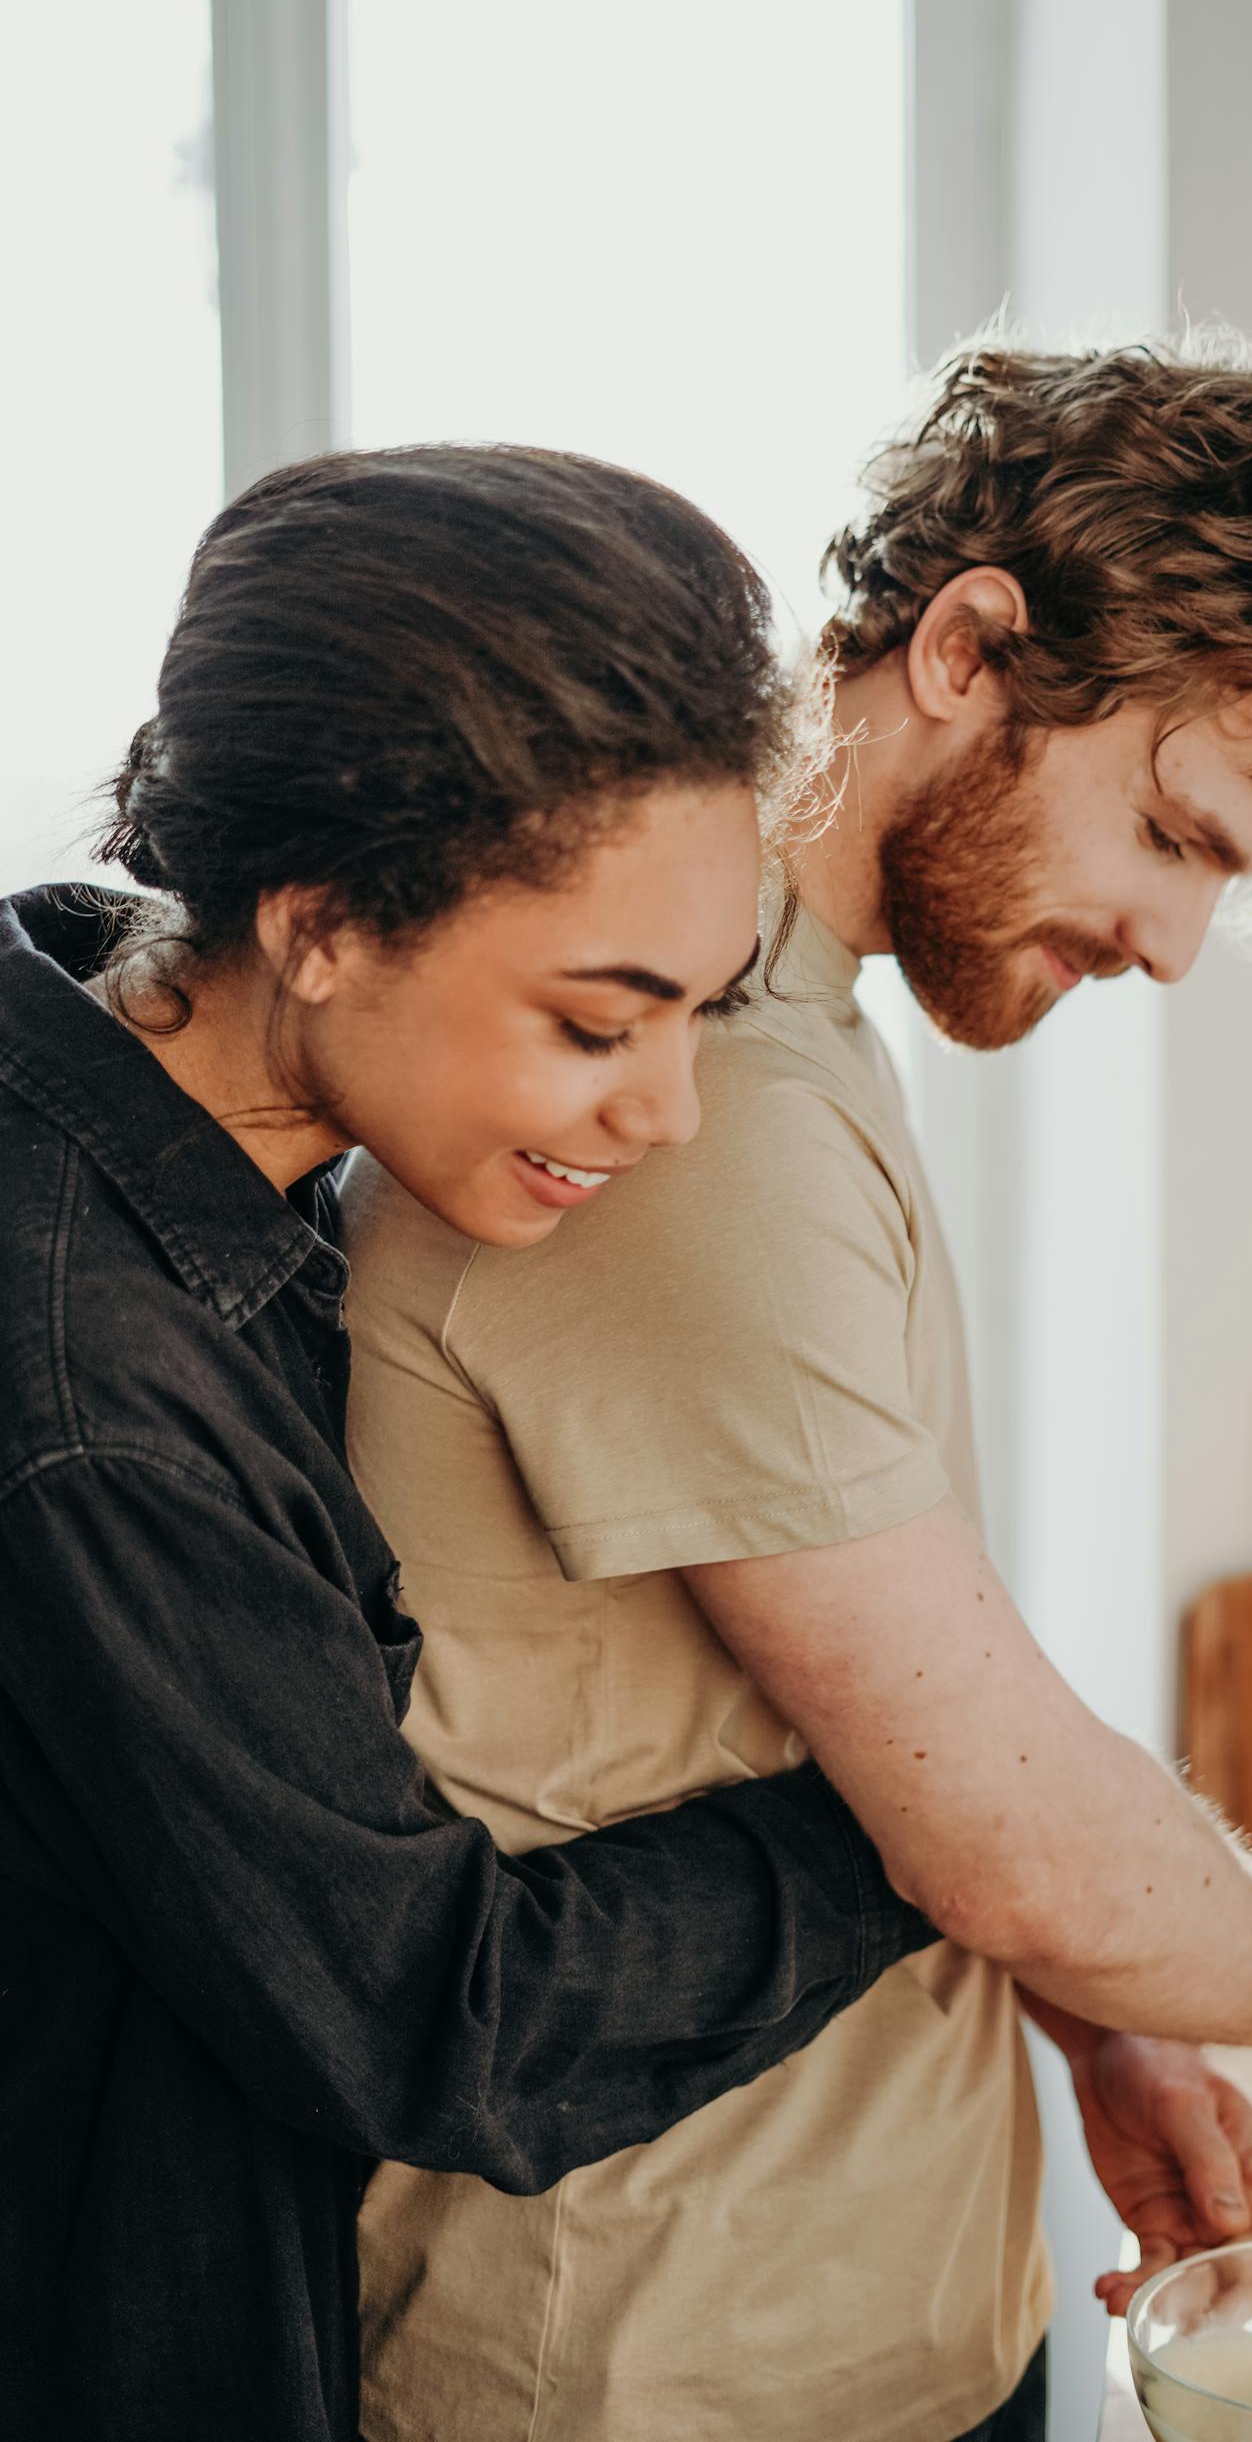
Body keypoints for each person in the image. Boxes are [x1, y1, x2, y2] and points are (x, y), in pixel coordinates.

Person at [344, 349, 1252, 2442]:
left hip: (845, 2317)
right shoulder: (693, 1093)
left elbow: (868, 1701)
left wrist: (1110, 2015)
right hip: (665, 2370)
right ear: (970, 644)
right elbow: (997, 1837)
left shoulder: (790, 1034)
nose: (1175, 945)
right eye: (1172, 833)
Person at [0, 444, 948, 2442]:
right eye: (599, 1025)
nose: (672, 1111)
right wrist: (925, 1813)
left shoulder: (103, 1010)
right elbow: (432, 2010)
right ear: (324, 920)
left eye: (698, 1013)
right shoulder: (92, 1389)